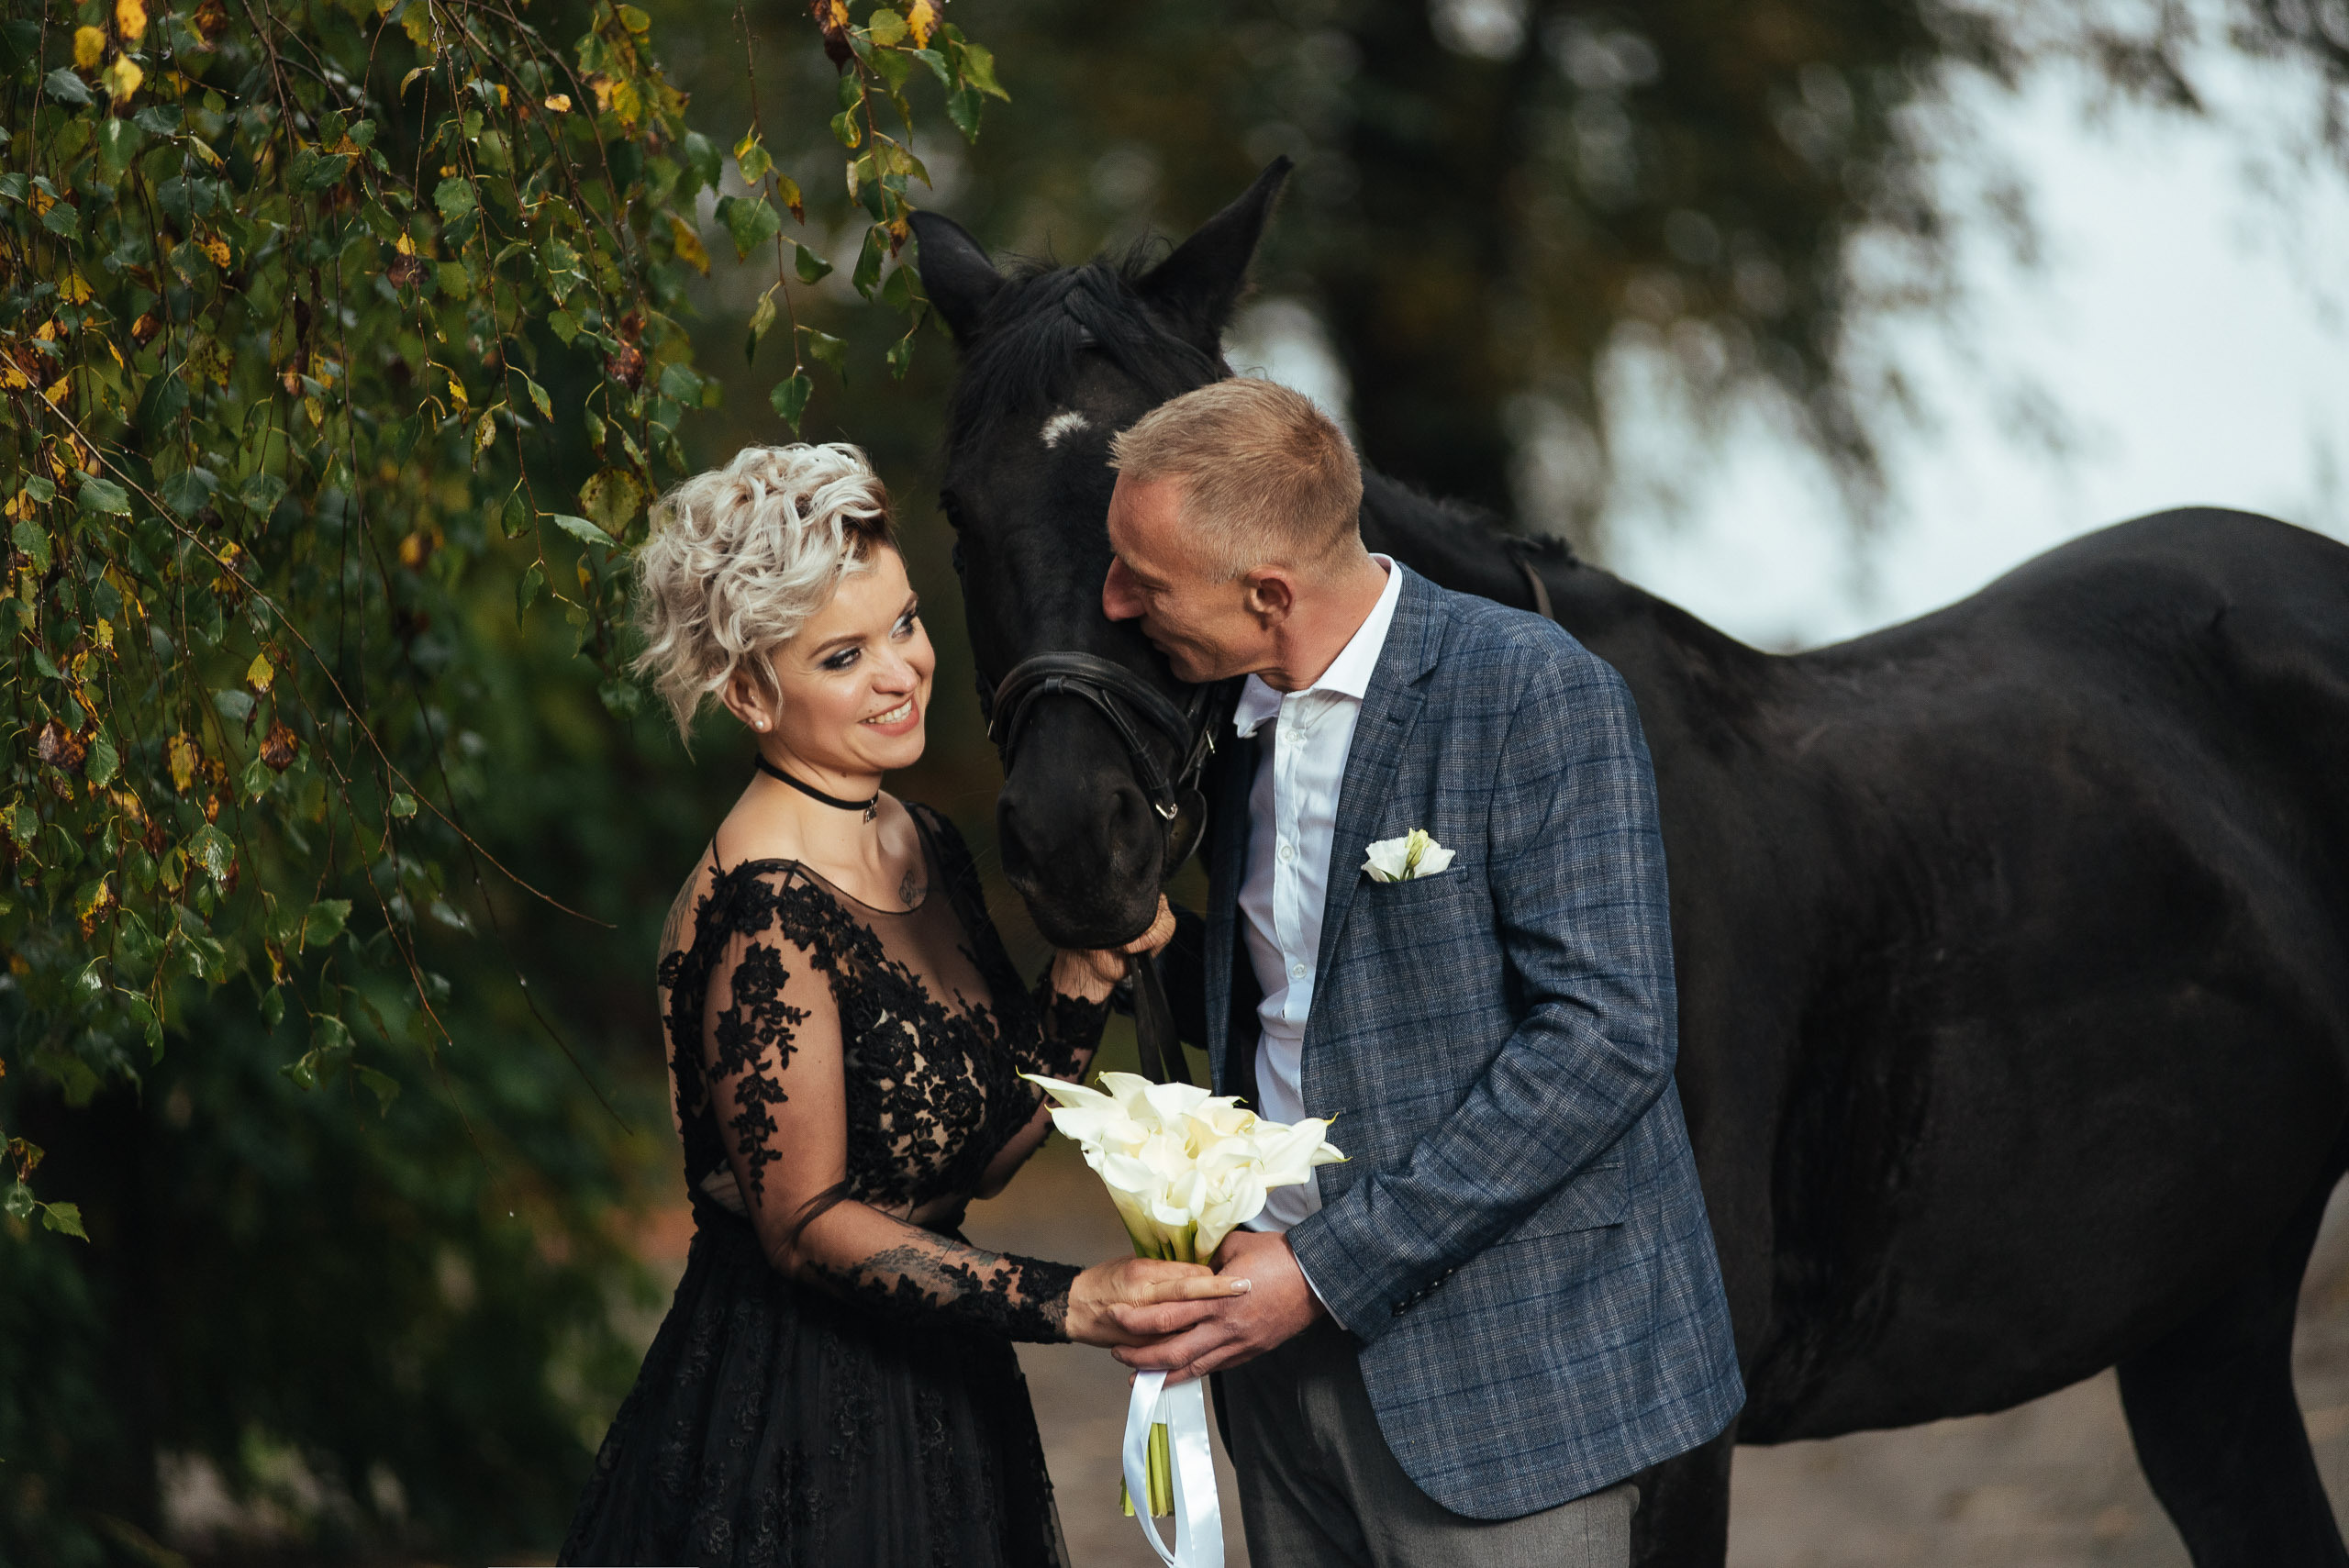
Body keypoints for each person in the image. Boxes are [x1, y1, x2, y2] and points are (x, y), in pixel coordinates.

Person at [558, 442, 1247, 1568]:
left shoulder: (914, 836)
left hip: (948, 1382)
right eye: (843, 655)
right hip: (798, 1413)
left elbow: (969, 1162)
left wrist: (1078, 985)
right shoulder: (766, 909)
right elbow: (807, 1224)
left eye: (906, 624)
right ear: (748, 690)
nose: (901, 672)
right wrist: (1074, 1300)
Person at [1099, 380, 1744, 1567]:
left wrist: (1324, 1267)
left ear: (1271, 594)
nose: (1113, 602)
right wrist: (1159, 951)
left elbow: (1604, 1038)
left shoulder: (1535, 694)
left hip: (1509, 1386)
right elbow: (1319, 987)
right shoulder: (1227, 715)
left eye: (1144, 579)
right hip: (1276, 1373)